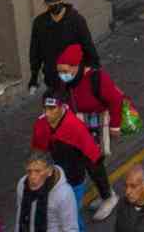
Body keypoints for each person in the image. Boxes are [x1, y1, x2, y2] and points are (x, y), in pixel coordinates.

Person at [31, 88, 113, 220]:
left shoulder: (75, 127)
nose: (48, 113)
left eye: (52, 109)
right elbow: (38, 152)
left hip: (75, 179)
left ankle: (107, 196)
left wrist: (104, 190)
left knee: (70, 216)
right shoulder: (41, 125)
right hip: (56, 176)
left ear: (62, 106)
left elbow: (93, 156)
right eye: (45, 109)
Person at [26, 0, 98, 93]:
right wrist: (34, 77)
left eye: (57, 3)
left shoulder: (76, 20)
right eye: (51, 4)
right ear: (45, 4)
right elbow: (35, 52)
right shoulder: (39, 24)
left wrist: (93, 67)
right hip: (53, 78)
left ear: (62, 1)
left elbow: (87, 45)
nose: (54, 7)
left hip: (74, 76)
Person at [13, 152, 80, 232]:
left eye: (38, 171)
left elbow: (70, 228)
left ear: (49, 171)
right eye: (29, 171)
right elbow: (20, 216)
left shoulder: (64, 194)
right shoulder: (22, 184)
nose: (32, 176)